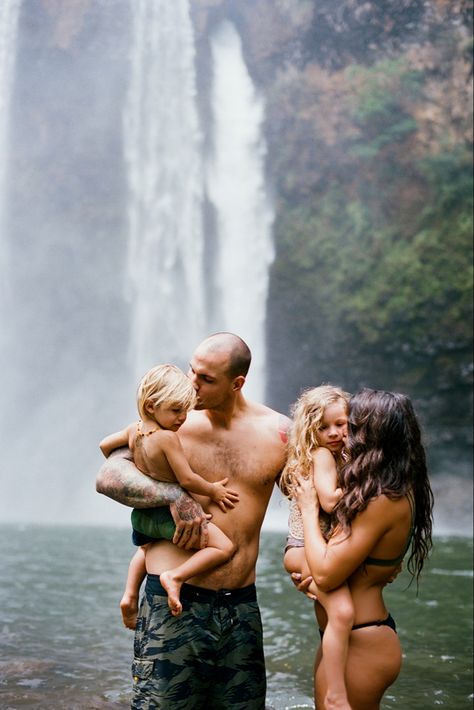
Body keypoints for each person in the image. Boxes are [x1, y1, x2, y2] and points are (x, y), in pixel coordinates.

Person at [96, 333, 290, 710]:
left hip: (241, 609)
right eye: (191, 370)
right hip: (174, 605)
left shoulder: (280, 433)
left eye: (206, 379)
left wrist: (301, 550)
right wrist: (173, 495)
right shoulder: (170, 421)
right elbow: (107, 476)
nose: (192, 384)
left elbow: (305, 496)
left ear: (238, 384)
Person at [293, 389, 433, 710]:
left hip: (362, 640)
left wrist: (307, 509)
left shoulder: (381, 499)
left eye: (351, 426)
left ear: (371, 436)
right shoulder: (395, 486)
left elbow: (327, 574)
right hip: (355, 636)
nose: (344, 435)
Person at [99, 364, 239, 623]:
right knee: (224, 547)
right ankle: (176, 576)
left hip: (142, 516)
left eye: (185, 411)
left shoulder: (135, 430)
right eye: (176, 410)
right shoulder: (167, 439)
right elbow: (187, 478)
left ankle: (129, 594)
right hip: (169, 517)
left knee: (145, 549)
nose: (182, 418)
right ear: (151, 405)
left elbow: (104, 445)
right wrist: (214, 490)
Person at [280, 385, 353, 710]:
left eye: (341, 423)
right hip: (302, 548)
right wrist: (366, 484)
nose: (334, 432)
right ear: (311, 429)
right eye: (324, 427)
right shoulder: (322, 455)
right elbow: (327, 499)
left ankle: (328, 689)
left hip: (309, 549)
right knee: (342, 612)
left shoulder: (338, 455)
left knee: (331, 617)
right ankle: (335, 695)